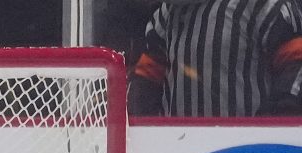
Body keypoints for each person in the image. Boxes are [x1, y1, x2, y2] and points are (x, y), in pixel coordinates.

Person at [129, 0, 302, 116]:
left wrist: (273, 124)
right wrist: (144, 128)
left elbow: (295, 66)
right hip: (177, 150)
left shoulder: (260, 5)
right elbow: (146, 83)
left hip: (250, 152)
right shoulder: (165, 16)